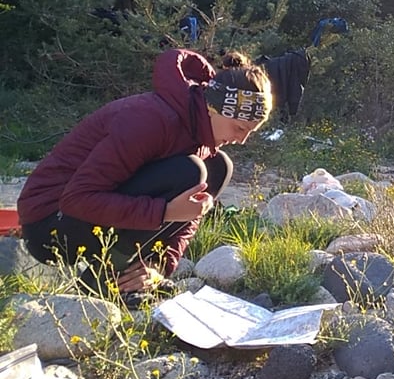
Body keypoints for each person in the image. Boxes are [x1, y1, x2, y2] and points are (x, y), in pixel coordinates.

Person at [17, 48, 273, 298]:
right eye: (240, 128)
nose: (242, 140)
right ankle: (104, 281)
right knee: (190, 171)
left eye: (251, 131)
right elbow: (76, 199)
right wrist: (166, 212)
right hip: (48, 225)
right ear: (213, 109)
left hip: (85, 219)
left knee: (218, 167)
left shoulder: (201, 132)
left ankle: (132, 278)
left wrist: (159, 265)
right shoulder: (149, 120)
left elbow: (192, 214)